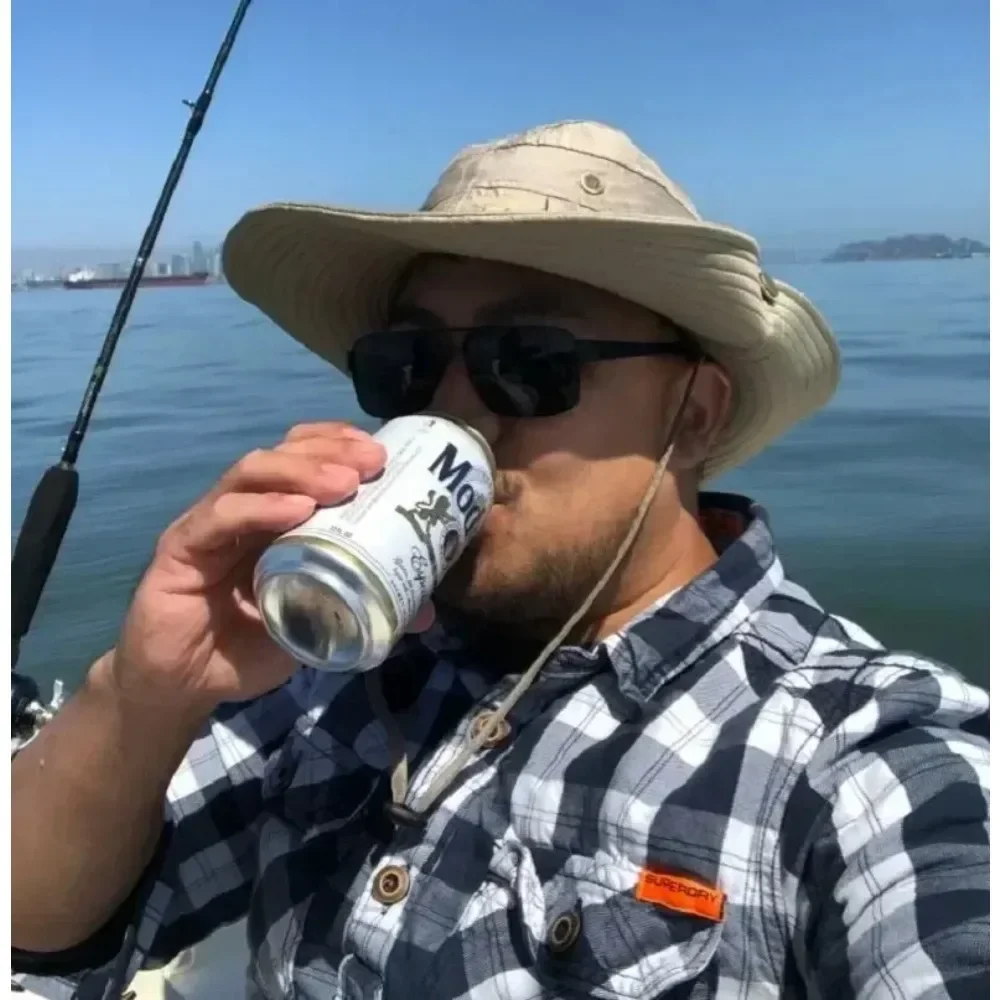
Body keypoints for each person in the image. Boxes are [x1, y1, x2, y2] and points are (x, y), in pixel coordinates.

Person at [13, 121, 989, 1000]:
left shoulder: (855, 759)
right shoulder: (323, 677)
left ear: (693, 414)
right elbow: (38, 927)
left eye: (526, 359)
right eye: (405, 364)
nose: (453, 409)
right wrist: (143, 693)